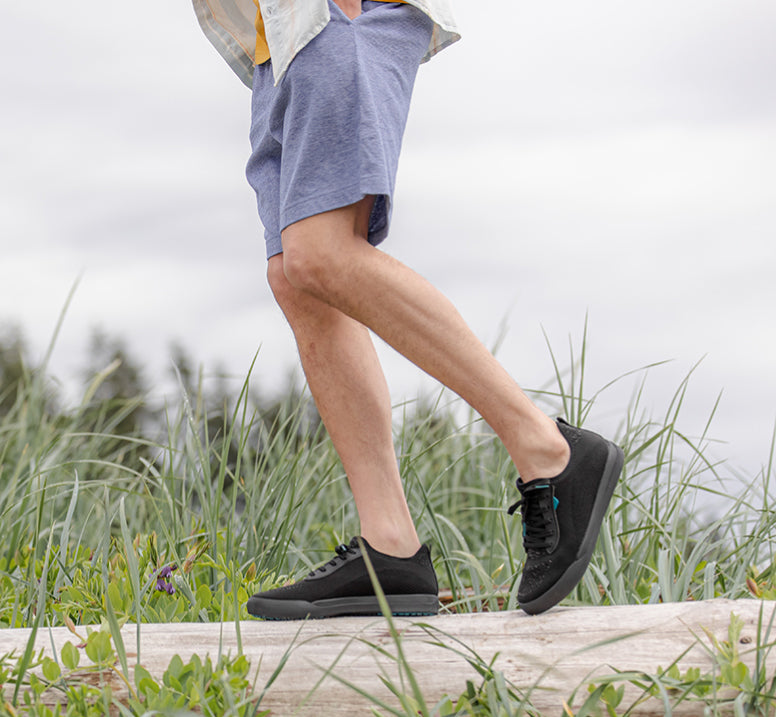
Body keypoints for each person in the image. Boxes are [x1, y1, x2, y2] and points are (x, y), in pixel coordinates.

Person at [190, 0, 624, 617]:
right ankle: (390, 546)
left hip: (326, 19)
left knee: (321, 254)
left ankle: (546, 447)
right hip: (277, 38)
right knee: (296, 275)